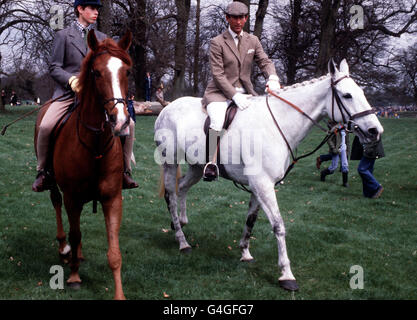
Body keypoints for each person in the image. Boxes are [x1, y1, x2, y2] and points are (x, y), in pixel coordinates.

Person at [32, 0, 138, 192]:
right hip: (67, 93)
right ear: (80, 9)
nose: (96, 12)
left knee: (128, 124)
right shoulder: (63, 36)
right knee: (46, 125)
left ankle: (124, 171)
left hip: (96, 97)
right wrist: (71, 80)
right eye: (92, 8)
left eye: (97, 9)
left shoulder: (102, 37)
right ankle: (43, 172)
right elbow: (54, 67)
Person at [201, 1, 280, 181]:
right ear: (228, 18)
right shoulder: (217, 42)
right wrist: (234, 95)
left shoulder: (253, 40)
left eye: (242, 18)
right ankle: (211, 163)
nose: (238, 21)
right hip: (219, 93)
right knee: (217, 120)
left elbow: (265, 62)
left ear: (246, 19)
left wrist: (272, 77)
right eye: (234, 18)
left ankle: (267, 163)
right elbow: (218, 75)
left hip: (246, 92)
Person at [316, 121, 350, 187]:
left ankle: (345, 182)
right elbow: (329, 140)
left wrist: (347, 150)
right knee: (334, 167)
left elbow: (347, 140)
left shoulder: (346, 128)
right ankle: (323, 173)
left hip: (343, 149)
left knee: (345, 165)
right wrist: (334, 148)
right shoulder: (335, 128)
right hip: (336, 150)